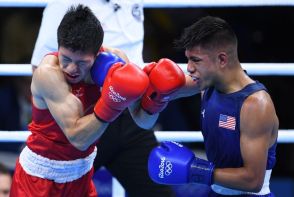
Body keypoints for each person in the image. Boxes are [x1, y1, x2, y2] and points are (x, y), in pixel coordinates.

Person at [30, 0, 176, 196]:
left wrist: (156, 99)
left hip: (125, 113)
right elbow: (43, 70)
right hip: (76, 122)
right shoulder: (65, 6)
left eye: (81, 61)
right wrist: (106, 100)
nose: (71, 67)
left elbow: (144, 121)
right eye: (67, 60)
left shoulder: (131, 6)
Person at [148, 16, 279, 196]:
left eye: (196, 60)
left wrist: (195, 170)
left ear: (222, 60)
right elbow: (161, 90)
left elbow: (253, 180)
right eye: (188, 59)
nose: (189, 68)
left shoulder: (255, 105)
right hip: (214, 191)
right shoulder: (207, 84)